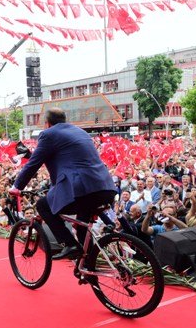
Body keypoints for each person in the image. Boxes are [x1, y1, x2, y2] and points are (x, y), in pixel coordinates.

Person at [9, 108, 117, 259]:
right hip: (105, 187)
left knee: (43, 205)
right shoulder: (81, 132)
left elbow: (33, 164)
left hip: (82, 190)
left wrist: (16, 187)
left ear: (47, 123)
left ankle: (69, 244)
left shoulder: (48, 134)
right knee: (81, 228)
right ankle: (90, 267)